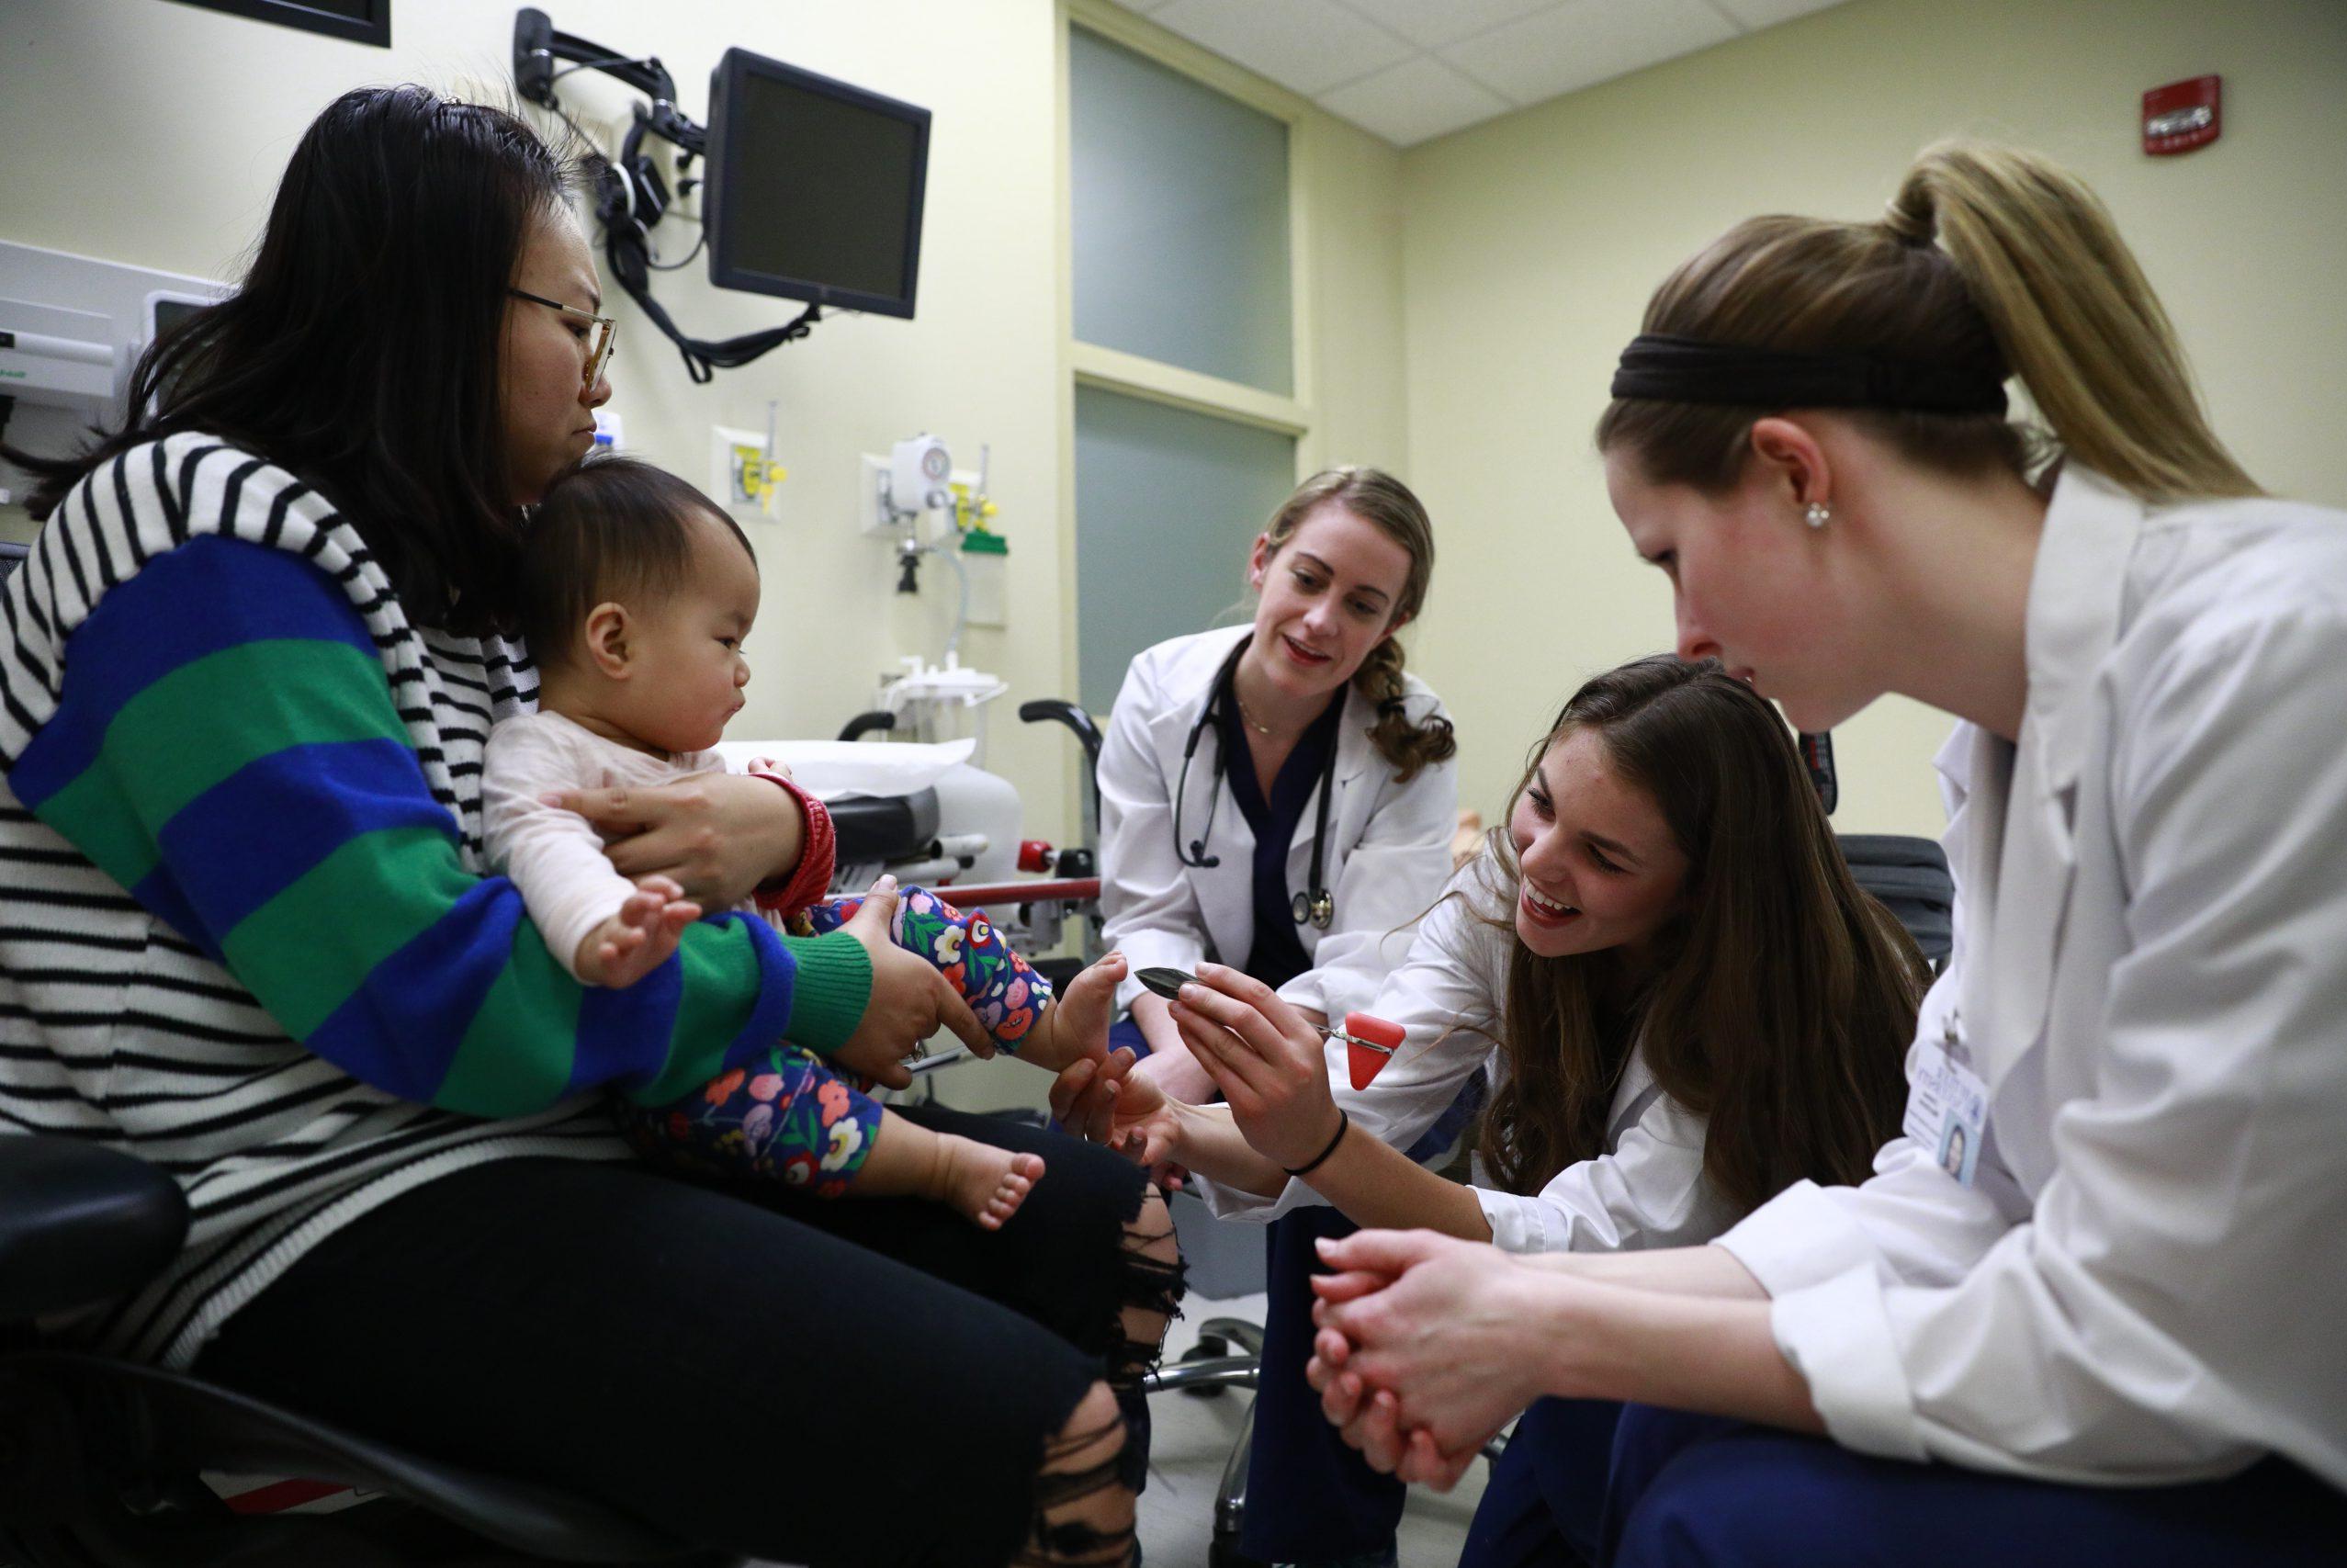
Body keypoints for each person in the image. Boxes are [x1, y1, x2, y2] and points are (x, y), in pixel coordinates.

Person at [0, 86, 1175, 1567]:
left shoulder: (471, 585)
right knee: (1040, 1430)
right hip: (296, 1205)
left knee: (1094, 1218)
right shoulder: (196, 530)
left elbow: (658, 808)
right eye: (578, 325)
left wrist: (778, 828)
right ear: (430, 307)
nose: (600, 388)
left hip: (544, 1132)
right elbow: (428, 984)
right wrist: (813, 982)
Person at [1300, 141, 2347, 1567]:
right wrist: (1542, 1317)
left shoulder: (2275, 662)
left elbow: (2159, 1324)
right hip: (2156, 1355)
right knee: (1638, 1426)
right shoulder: (1999, 752)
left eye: (1670, 553)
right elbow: (1954, 1192)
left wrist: (1549, 1317)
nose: (1678, 635)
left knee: (1717, 1512)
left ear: (1795, 470)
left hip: (2272, 1409)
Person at [1066, 657, 1924, 1564]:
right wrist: (1172, 1122)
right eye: (1542, 803)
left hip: (1758, 1373)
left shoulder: (1765, 1017)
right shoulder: (1502, 889)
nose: (1540, 863)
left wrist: (1315, 1141)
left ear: (1698, 891)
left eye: (1604, 855)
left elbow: (1582, 1244)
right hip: (1581, 1349)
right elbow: (1370, 1090)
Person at [484, 452, 1129, 1230]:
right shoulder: (547, 754)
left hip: (779, 965)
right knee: (751, 1094)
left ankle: (1053, 1030)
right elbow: (540, 843)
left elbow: (792, 869)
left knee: (917, 913)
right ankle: (935, 1163)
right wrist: (600, 926)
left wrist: (774, 806)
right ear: (615, 644)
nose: (743, 670)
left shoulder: (686, 754)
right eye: (727, 641)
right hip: (683, 1038)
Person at [1079, 466, 1459, 1564]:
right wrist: (1178, 1062)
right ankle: (1098, 1501)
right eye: (1308, 578)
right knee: (1106, 1177)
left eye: (1362, 605)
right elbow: (1144, 914)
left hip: (1343, 1026)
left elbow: (1369, 960)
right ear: (1261, 561)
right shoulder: (1161, 689)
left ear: (1391, 625)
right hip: (1168, 1003)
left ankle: (1314, 1541)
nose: (1320, 619)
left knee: (1356, 1190)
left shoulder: (1413, 735)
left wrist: (1216, 1070)